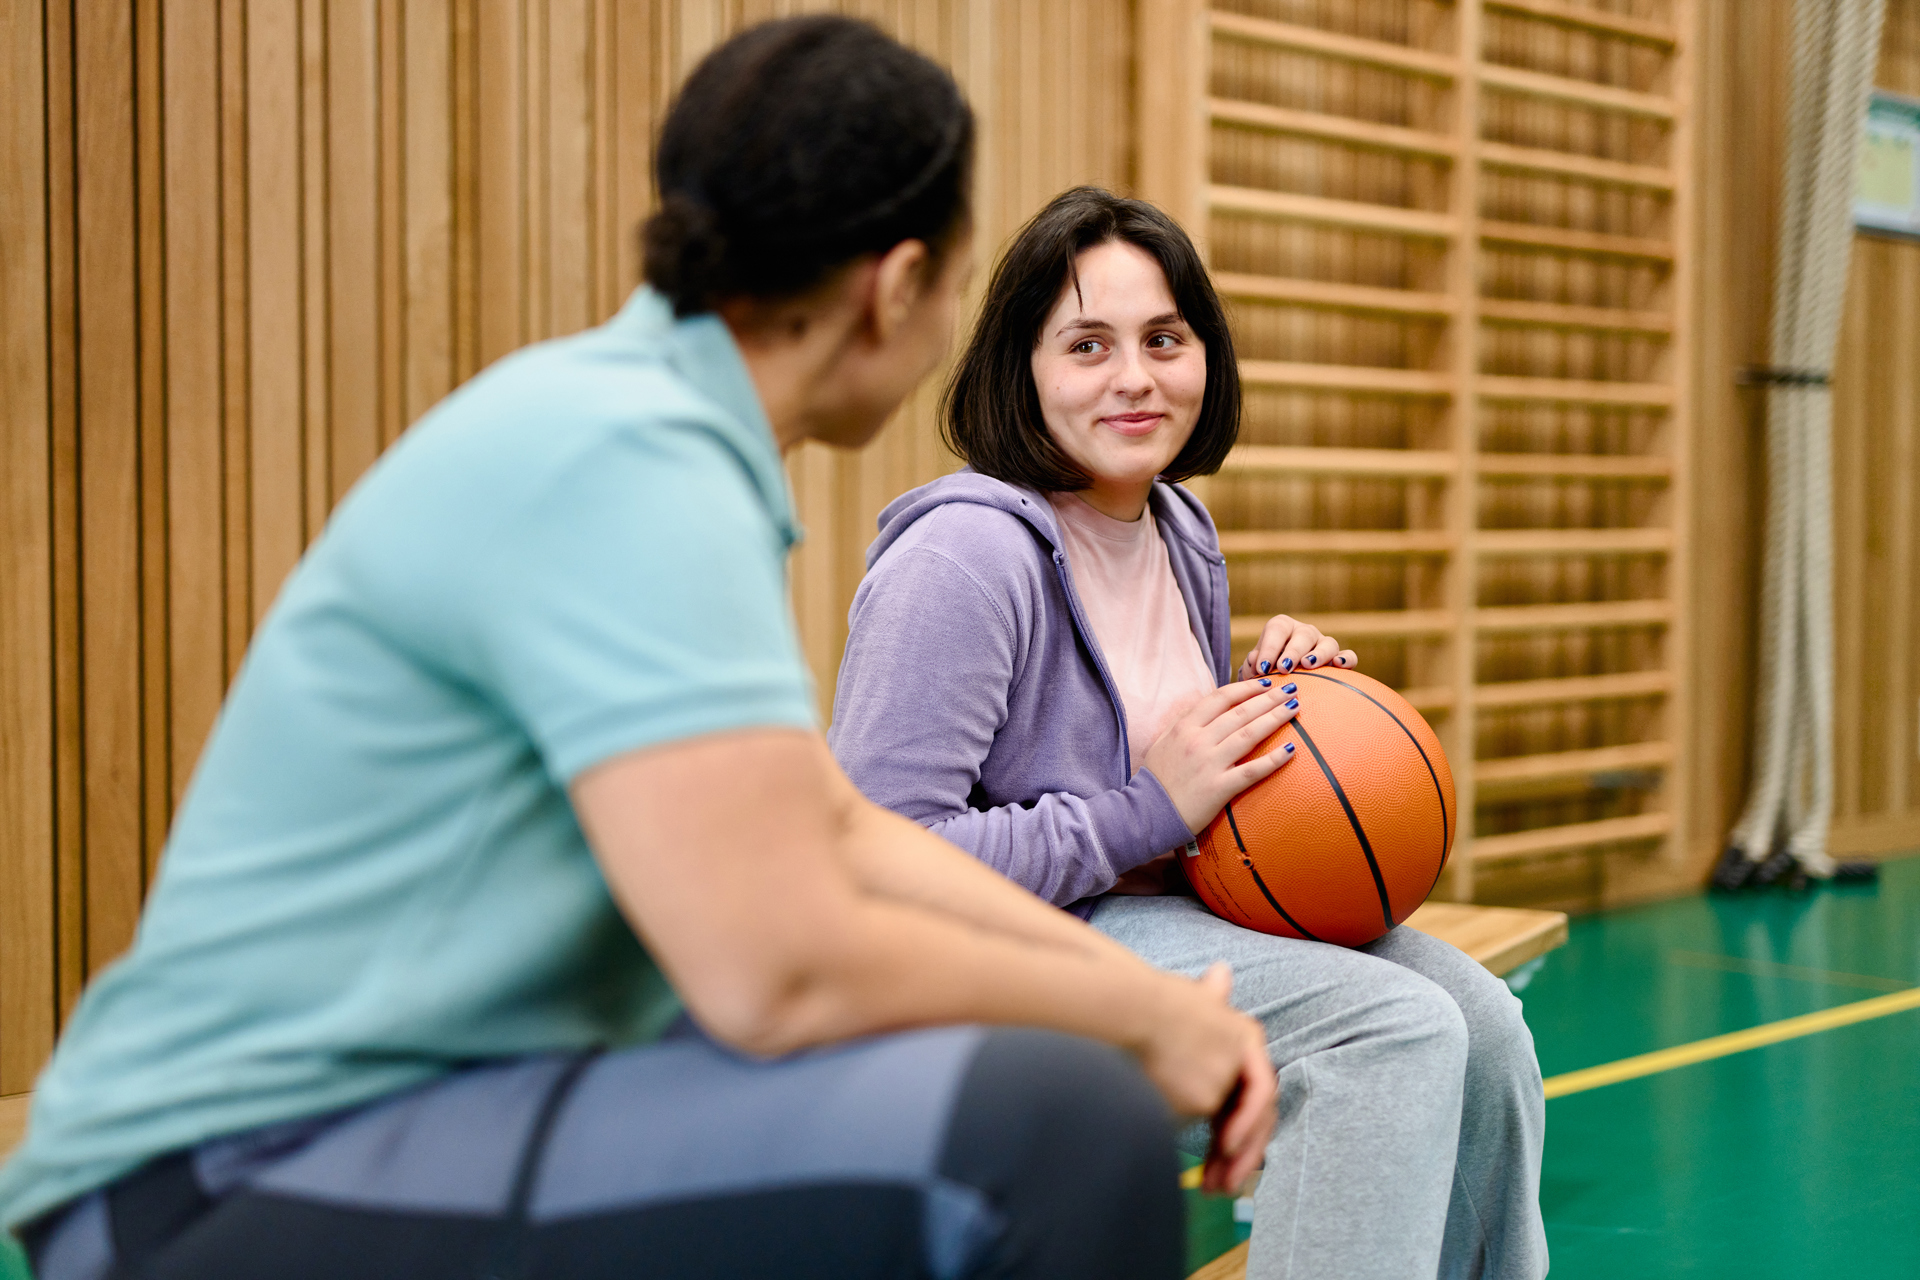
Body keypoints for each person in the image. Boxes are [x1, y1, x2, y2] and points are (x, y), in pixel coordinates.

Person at [0, 28, 1278, 1280]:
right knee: (1058, 1126)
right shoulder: (625, 457)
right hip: (211, 1175)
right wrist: (1130, 1017)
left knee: (1019, 1092)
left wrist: (1153, 1004)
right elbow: (771, 970)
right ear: (896, 287)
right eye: (952, 282)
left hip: (395, 1118)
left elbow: (833, 830)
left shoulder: (648, 434)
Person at [829, 187, 1549, 1280]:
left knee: (1483, 1023)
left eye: (1165, 338)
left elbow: (1164, 778)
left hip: (1157, 914)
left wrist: (1277, 719)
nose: (1135, 376)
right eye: (1087, 344)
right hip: (997, 954)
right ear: (1020, 368)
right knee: (1385, 1030)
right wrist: (1144, 809)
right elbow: (881, 861)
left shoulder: (1179, 527)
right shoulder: (962, 558)